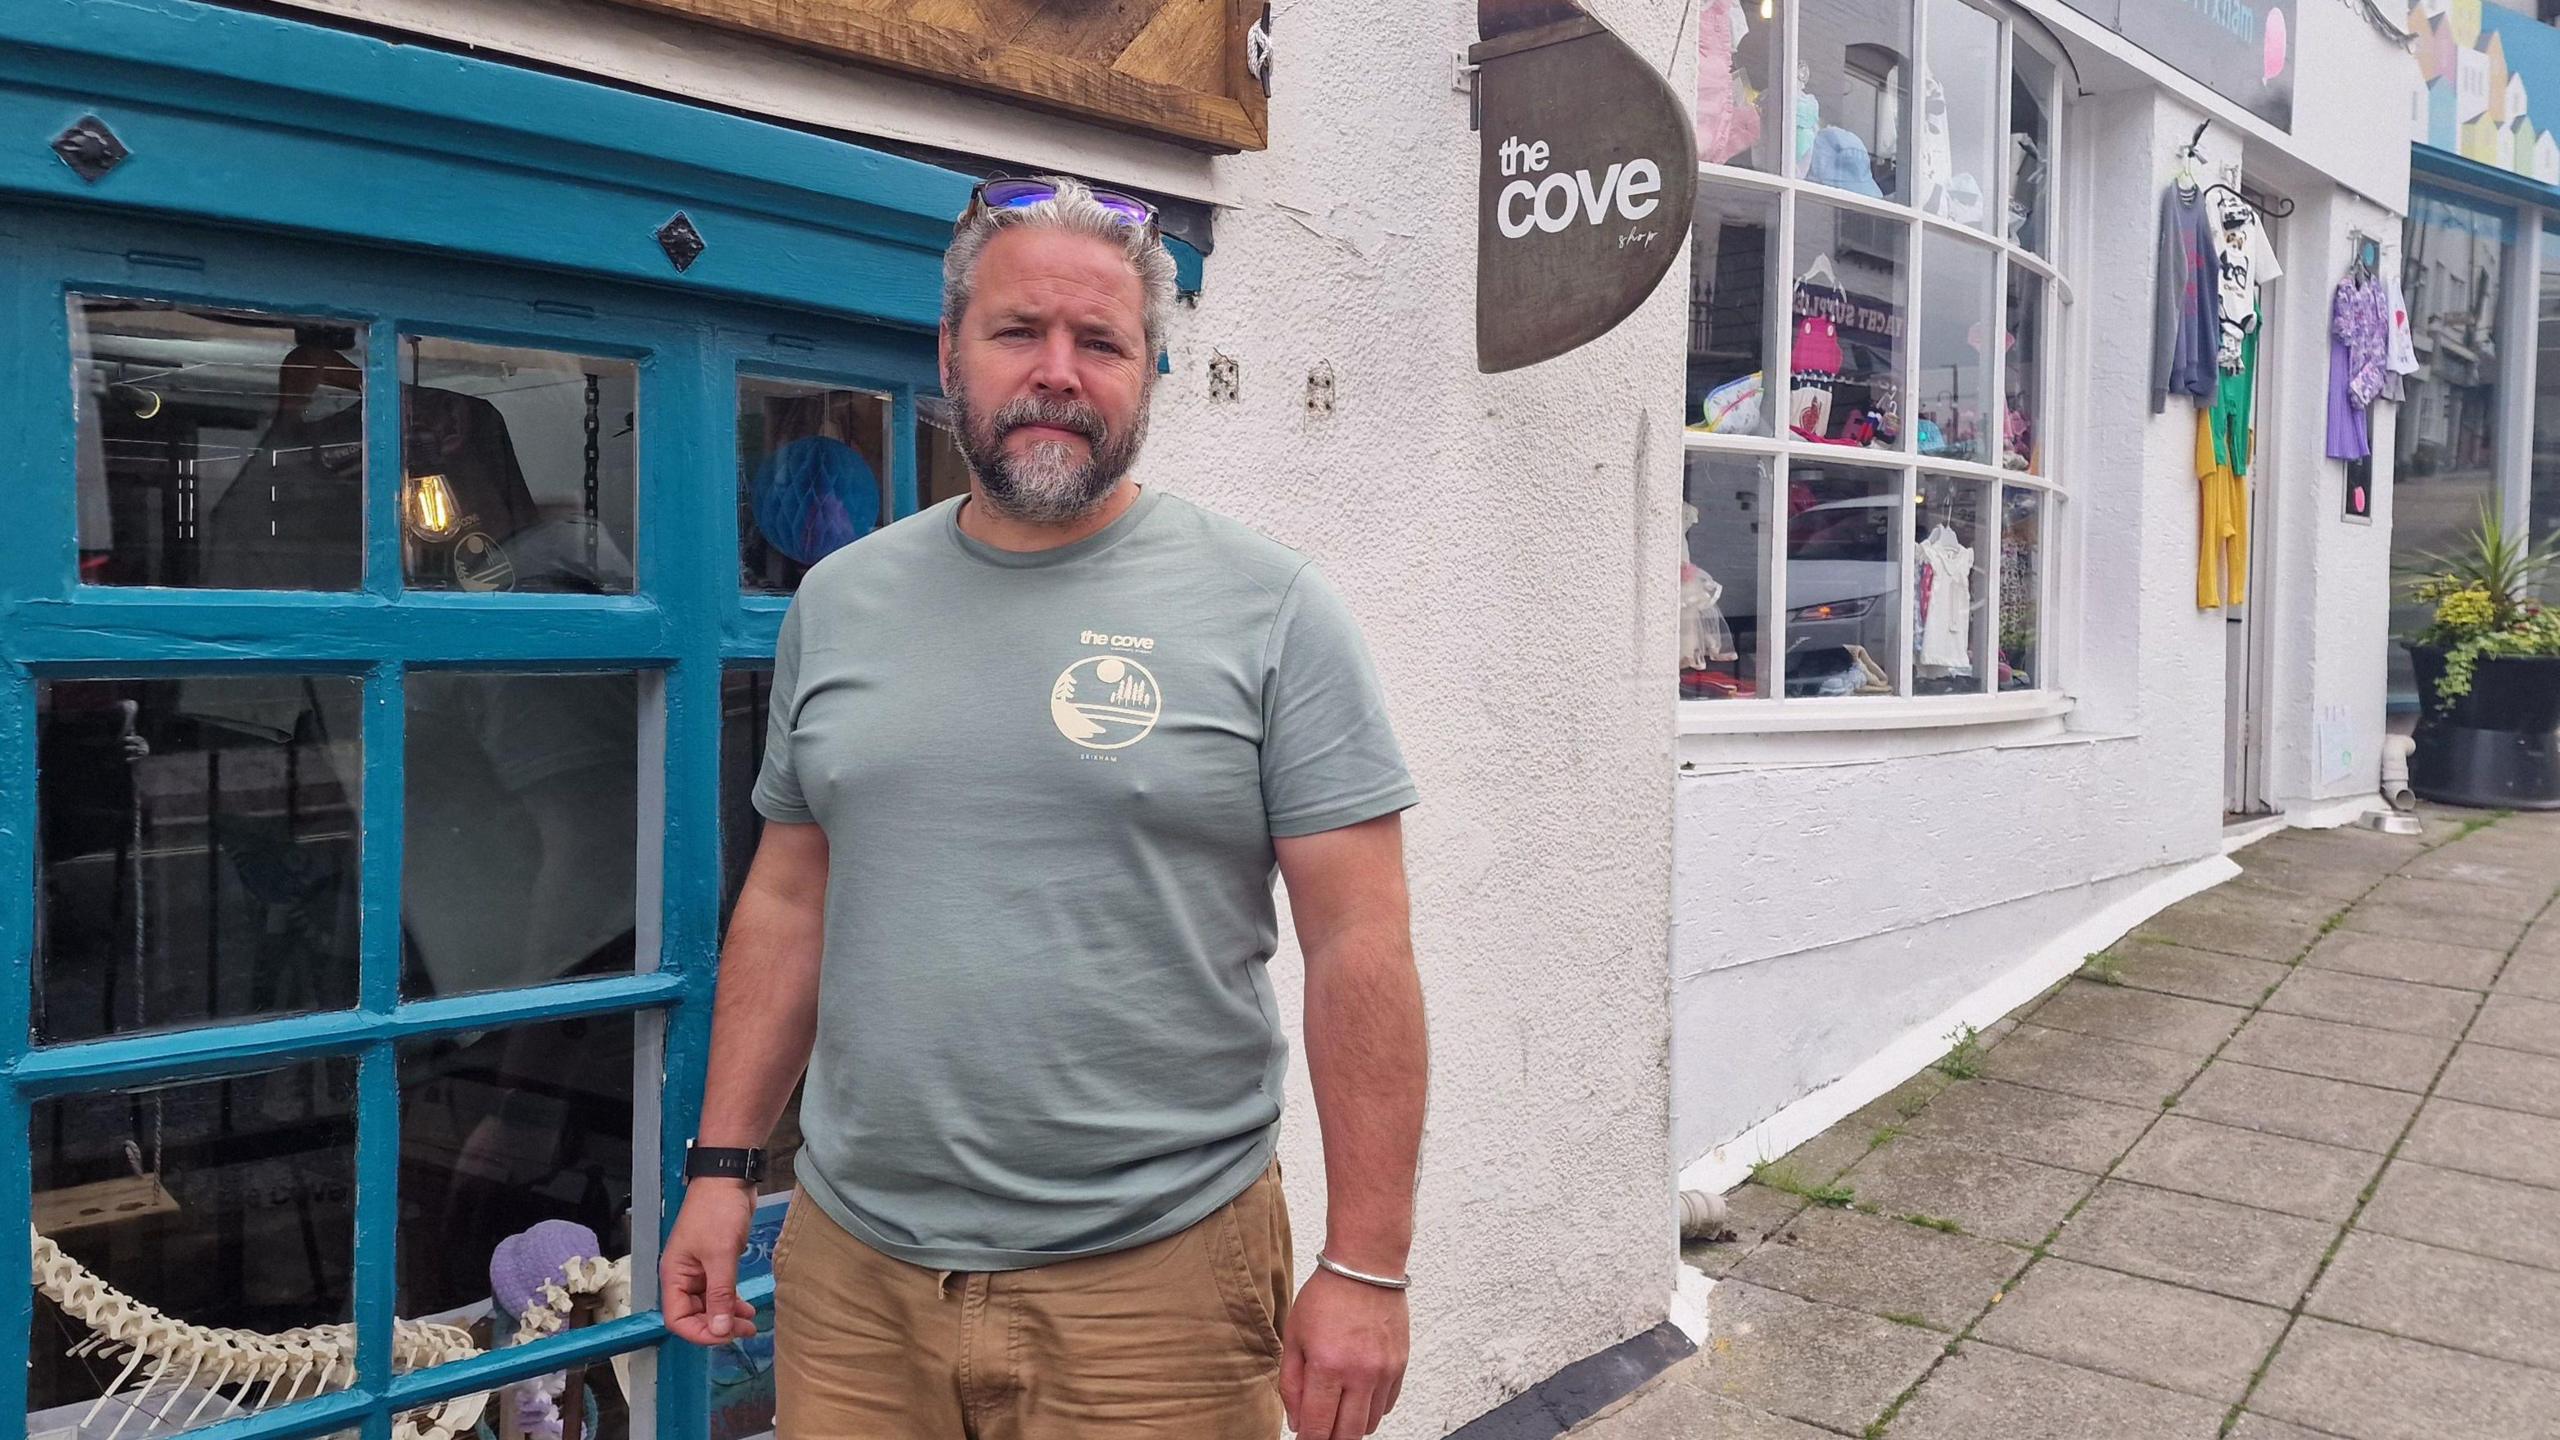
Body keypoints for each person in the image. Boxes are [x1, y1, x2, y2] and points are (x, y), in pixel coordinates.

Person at [659, 175, 1429, 1440]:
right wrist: (721, 1170)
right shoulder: (839, 604)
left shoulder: (1271, 610)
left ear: (1152, 367)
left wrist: (1367, 1263)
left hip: (1160, 1284)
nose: (1058, 372)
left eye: (1102, 341)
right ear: (949, 348)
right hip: (859, 1275)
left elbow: (1363, 946)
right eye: (1020, 332)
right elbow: (791, 902)